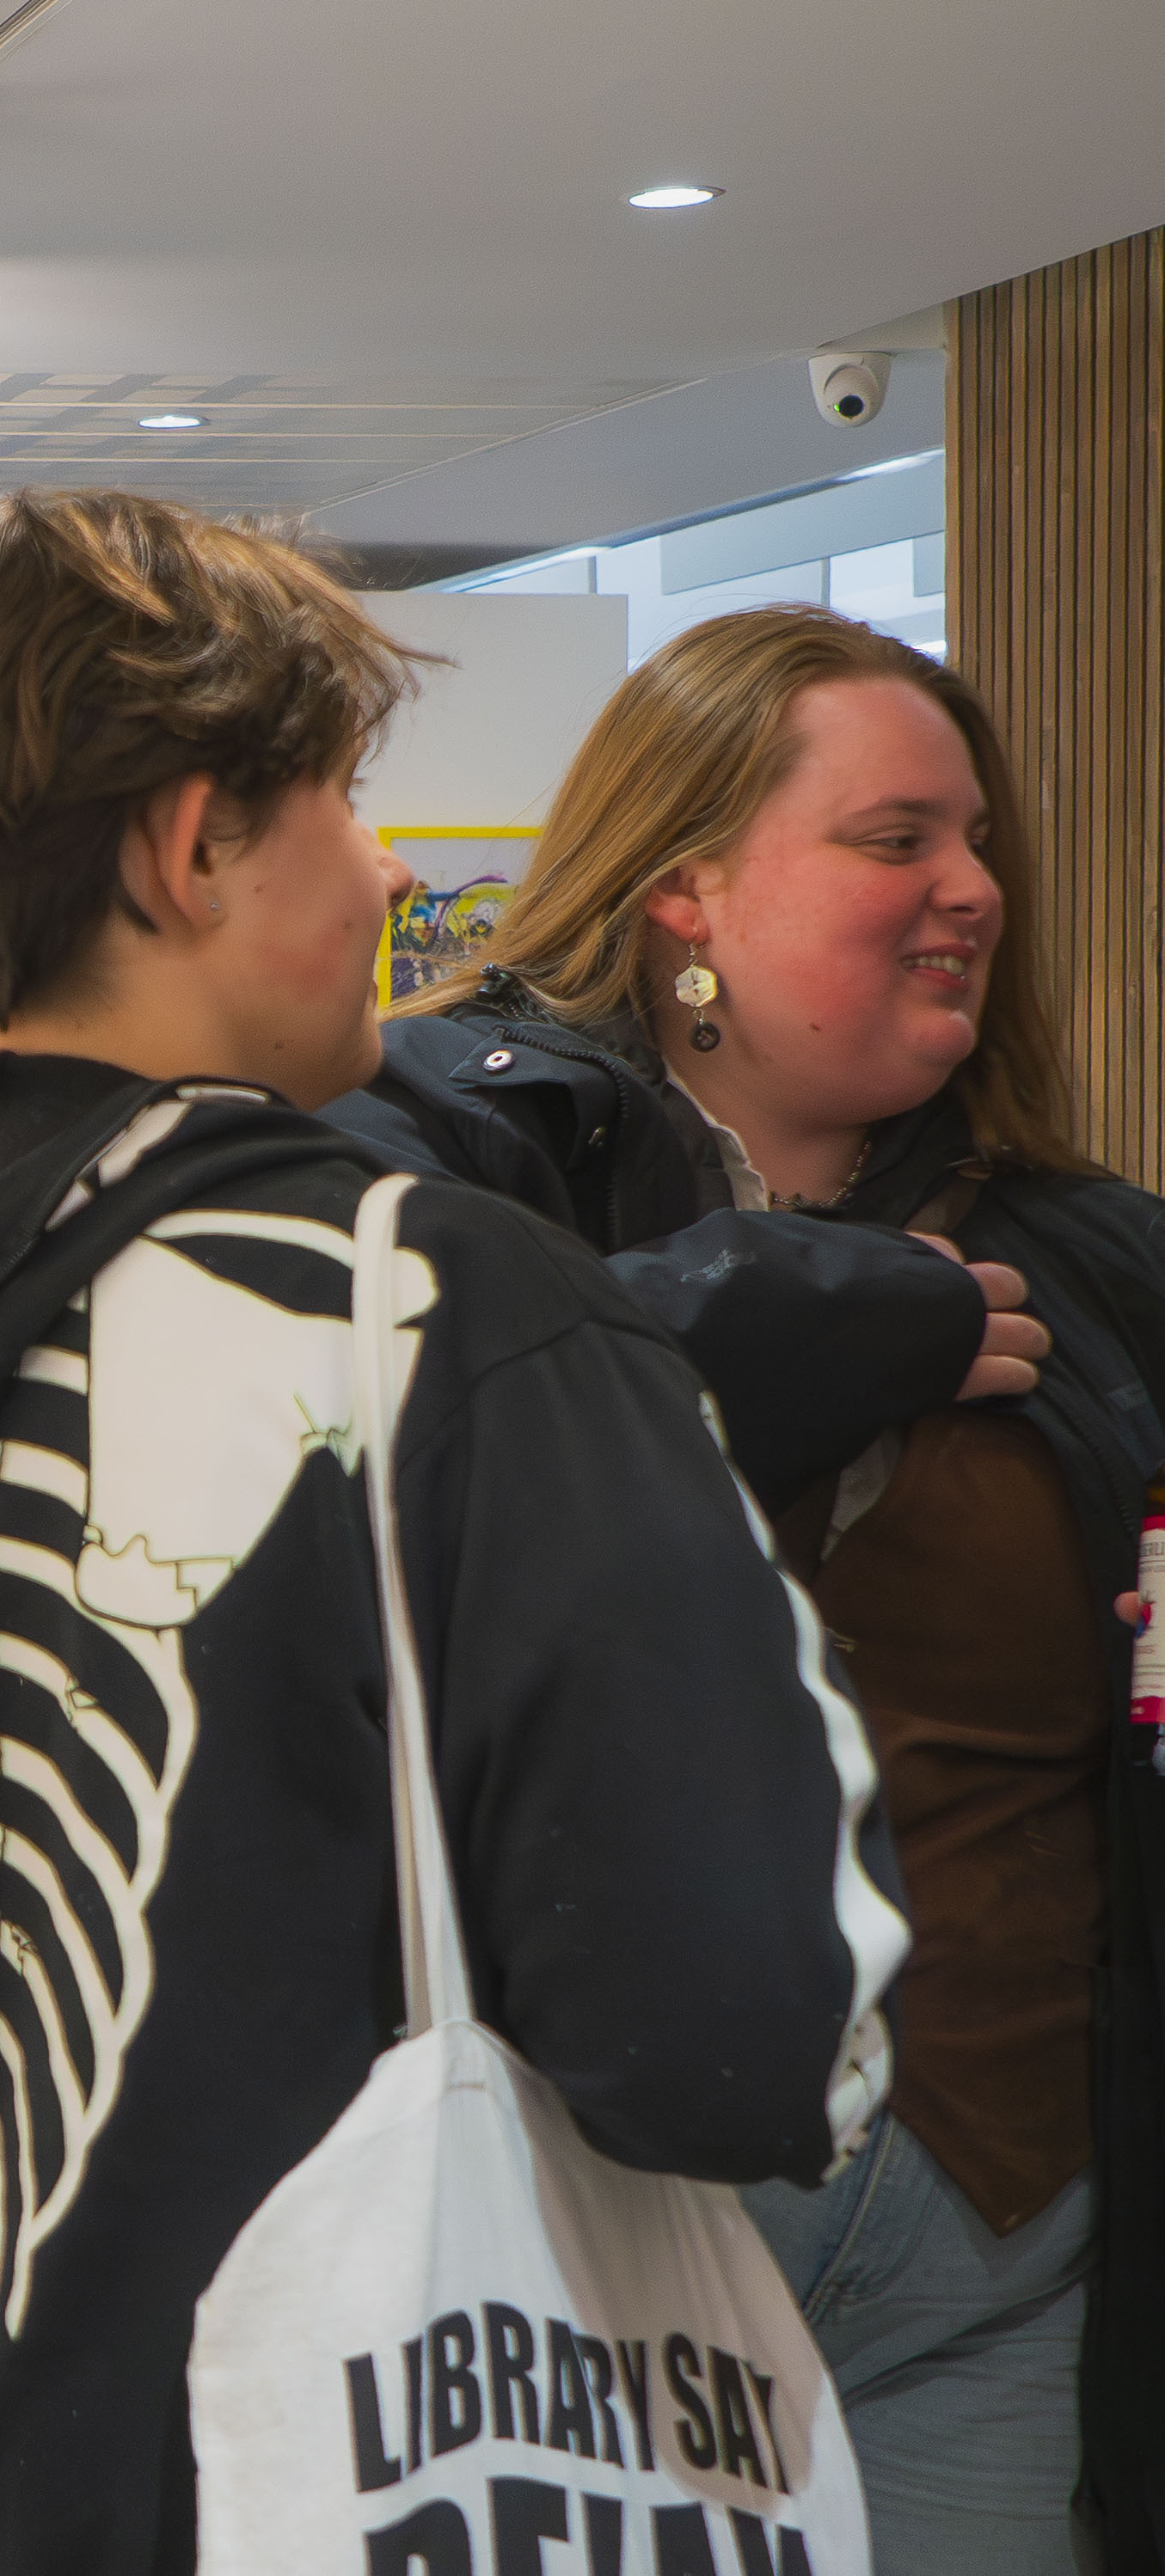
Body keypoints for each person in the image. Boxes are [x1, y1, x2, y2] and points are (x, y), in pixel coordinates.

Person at [0, 491, 907, 2576]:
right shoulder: (432, 1298)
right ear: (187, 847)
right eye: (335, 800)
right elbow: (746, 2035)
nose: (387, 870)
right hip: (291, 2489)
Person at [342, 603, 1162, 2576]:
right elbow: (332, 1484)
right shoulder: (433, 1168)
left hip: (991, 2238)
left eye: (974, 840)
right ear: (679, 889)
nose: (969, 888)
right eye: (892, 839)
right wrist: (743, 1324)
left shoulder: (1091, 1259)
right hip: (560, 2242)